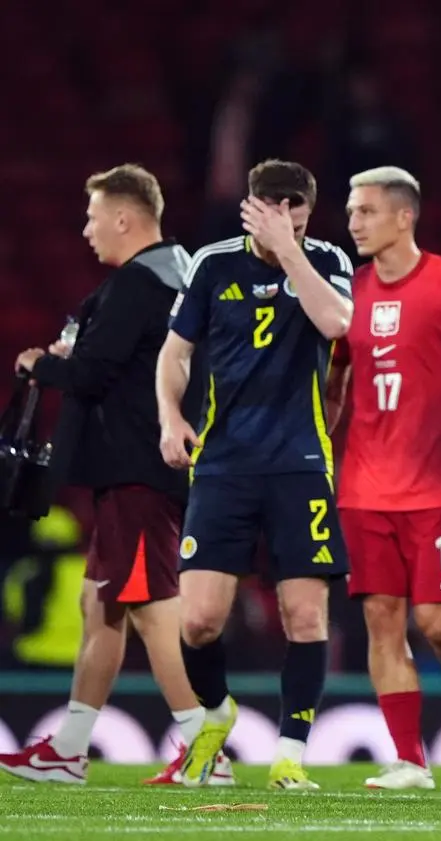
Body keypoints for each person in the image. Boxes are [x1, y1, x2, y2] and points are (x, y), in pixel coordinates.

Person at [0, 164, 233, 786]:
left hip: (136, 469)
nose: (86, 230)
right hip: (143, 467)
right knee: (100, 603)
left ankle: (204, 749)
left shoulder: (138, 286)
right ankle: (70, 749)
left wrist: (40, 365)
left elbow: (94, 375)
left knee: (153, 607)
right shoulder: (178, 276)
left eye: (94, 216)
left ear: (126, 218)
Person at [157, 159, 354, 790]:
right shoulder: (212, 264)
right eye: (268, 205)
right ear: (248, 206)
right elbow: (175, 354)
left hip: (299, 466)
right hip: (224, 464)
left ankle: (290, 753)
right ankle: (217, 713)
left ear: (307, 210)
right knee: (198, 620)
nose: (279, 216)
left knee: (305, 616)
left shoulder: (326, 261)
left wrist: (288, 251)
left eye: (292, 206)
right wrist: (168, 416)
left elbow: (337, 325)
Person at [331, 166, 441, 790]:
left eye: (366, 211)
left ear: (404, 216)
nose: (353, 222)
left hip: (437, 488)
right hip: (362, 487)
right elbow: (335, 383)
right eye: (352, 212)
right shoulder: (347, 292)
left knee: (437, 623)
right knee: (382, 619)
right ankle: (411, 760)